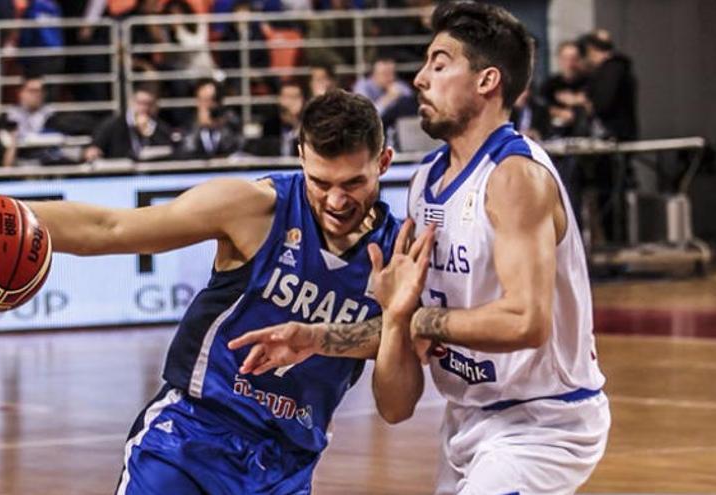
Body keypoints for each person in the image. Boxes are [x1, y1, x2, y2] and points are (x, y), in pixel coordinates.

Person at [0, 89, 401, 494]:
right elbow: (111, 227)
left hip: (286, 462)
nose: (337, 201)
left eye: (353, 183)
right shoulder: (252, 207)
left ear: (384, 161)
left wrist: (357, 332)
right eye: (321, 183)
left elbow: (398, 390)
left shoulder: (400, 254)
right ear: (300, 155)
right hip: (190, 438)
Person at [229, 3, 610, 494]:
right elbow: (407, 347)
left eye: (439, 62)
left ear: (487, 80)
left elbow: (525, 321)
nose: (421, 78)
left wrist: (416, 321)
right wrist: (317, 337)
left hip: (542, 424)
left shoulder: (514, 177)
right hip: (467, 419)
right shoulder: (427, 181)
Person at [83, 85, 179, 162]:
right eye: (140, 103)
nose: (144, 108)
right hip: (120, 175)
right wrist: (93, 151)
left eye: (149, 104)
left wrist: (149, 132)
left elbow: (168, 150)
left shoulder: (160, 127)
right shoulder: (112, 124)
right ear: (131, 103)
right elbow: (94, 147)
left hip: (152, 176)